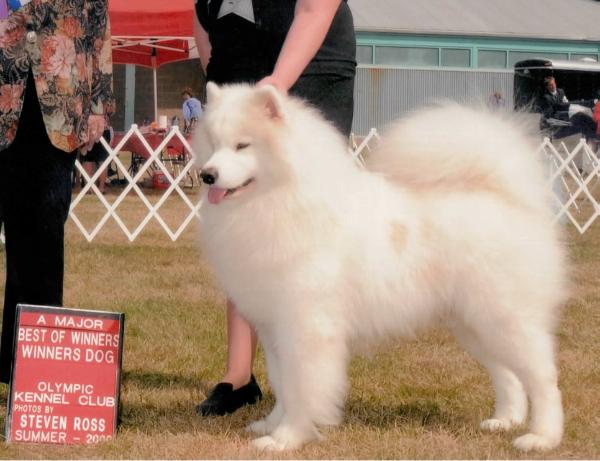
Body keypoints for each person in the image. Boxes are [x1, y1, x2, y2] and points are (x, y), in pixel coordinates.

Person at [193, 0, 356, 416]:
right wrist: (220, 73)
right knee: (240, 228)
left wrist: (276, 86)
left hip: (309, 61)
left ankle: (308, 378)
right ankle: (240, 375)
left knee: (305, 233)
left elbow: (314, 9)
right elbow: (200, 12)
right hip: (238, 60)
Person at [0, 0, 114, 383]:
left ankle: (30, 367)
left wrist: (99, 107)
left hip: (58, 110)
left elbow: (98, 28)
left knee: (43, 241)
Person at [80, 118, 114, 194]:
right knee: (88, 159)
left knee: (101, 160)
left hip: (99, 128)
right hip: (90, 127)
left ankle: (99, 188)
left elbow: (111, 110)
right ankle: (89, 187)